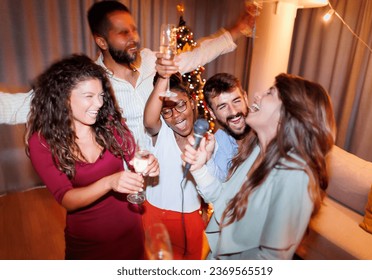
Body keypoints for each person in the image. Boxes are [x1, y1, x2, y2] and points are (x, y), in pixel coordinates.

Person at [1, 0, 255, 146]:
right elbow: (24, 105)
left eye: (133, 30)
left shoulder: (149, 60)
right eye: (123, 33)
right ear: (101, 41)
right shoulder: (89, 81)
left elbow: (196, 55)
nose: (134, 38)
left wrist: (237, 29)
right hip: (124, 184)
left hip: (165, 169)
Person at [182, 73, 336, 259]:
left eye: (270, 93)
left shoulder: (295, 174)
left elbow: (269, 259)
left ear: (287, 112)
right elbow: (226, 204)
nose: (257, 96)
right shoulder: (256, 150)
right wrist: (199, 168)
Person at [25, 54, 159, 260]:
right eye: (89, 96)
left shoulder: (110, 123)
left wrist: (149, 162)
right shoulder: (42, 142)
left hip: (131, 235)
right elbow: (67, 199)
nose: (98, 103)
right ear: (63, 97)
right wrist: (109, 182)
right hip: (88, 246)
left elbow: (134, 158)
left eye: (101, 96)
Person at [142, 72, 205, 260]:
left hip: (190, 217)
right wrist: (163, 77)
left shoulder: (208, 141)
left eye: (180, 105)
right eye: (167, 112)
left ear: (192, 102)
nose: (176, 115)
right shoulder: (162, 134)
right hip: (155, 215)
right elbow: (148, 121)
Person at [202, 73, 251, 181]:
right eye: (223, 106)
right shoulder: (220, 140)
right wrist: (208, 158)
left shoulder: (265, 131)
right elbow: (220, 184)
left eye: (236, 101)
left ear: (246, 98)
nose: (233, 111)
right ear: (212, 113)